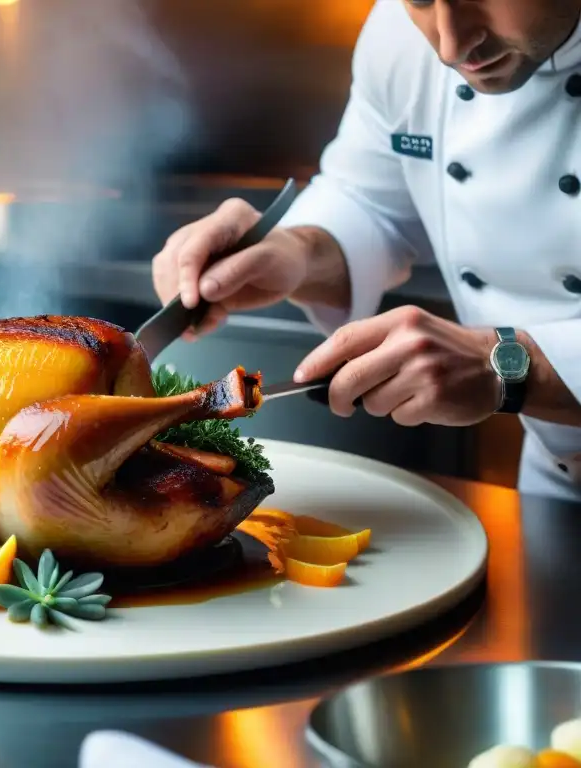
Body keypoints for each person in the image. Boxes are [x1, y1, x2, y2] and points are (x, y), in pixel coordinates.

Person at [153, 0, 581, 501]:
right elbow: (371, 200)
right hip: (556, 483)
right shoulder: (397, 37)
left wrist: (510, 365)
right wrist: (297, 251)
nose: (450, 45)